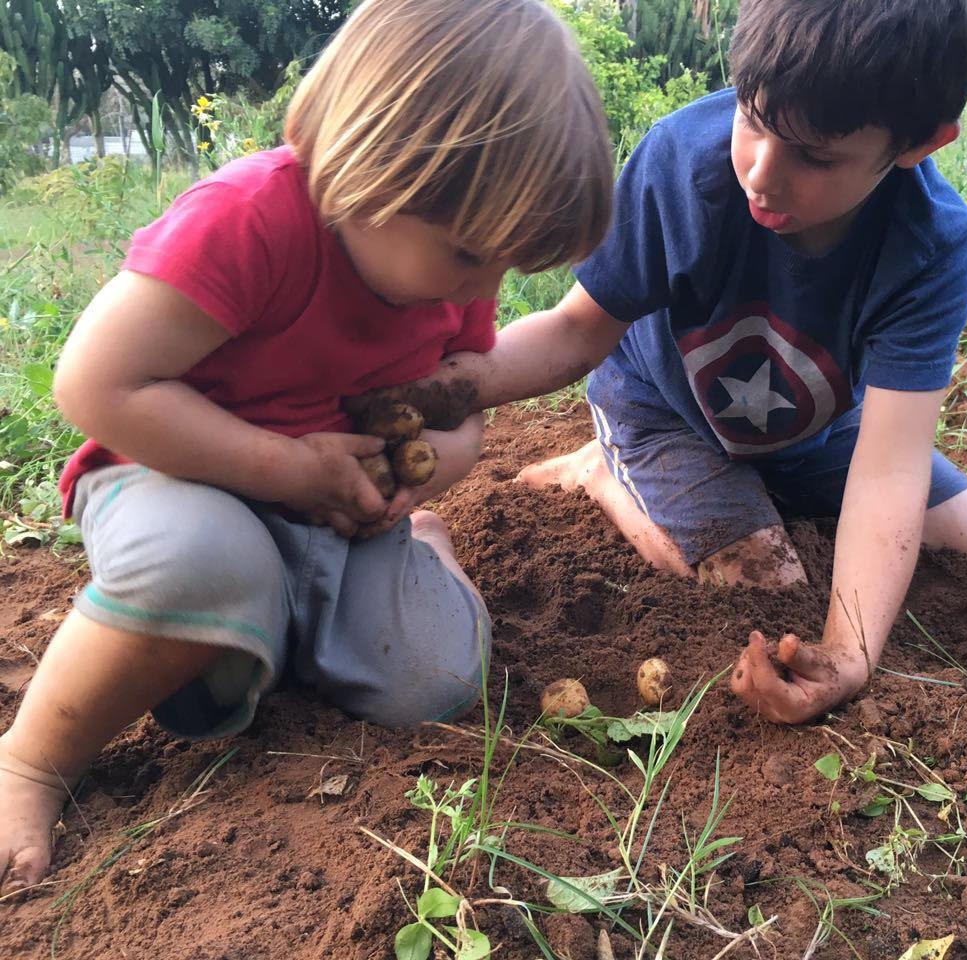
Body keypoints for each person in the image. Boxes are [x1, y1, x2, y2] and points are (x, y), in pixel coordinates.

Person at [0, 0, 612, 897]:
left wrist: (423, 475)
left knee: (436, 683)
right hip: (174, 481)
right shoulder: (249, 220)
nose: (487, 289)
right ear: (373, 169)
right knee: (209, 562)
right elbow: (96, 386)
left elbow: (459, 409)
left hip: (340, 523)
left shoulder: (447, 280)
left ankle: (407, 558)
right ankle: (33, 761)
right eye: (471, 256)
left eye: (508, 269)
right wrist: (287, 468)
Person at [396, 0, 967, 725]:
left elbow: (890, 465)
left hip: (809, 434)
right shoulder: (681, 161)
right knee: (768, 584)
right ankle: (607, 471)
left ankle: (739, 489)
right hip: (662, 412)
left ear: (919, 142)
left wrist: (850, 654)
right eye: (753, 118)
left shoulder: (932, 246)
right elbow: (575, 330)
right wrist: (441, 383)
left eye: (814, 155)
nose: (761, 171)